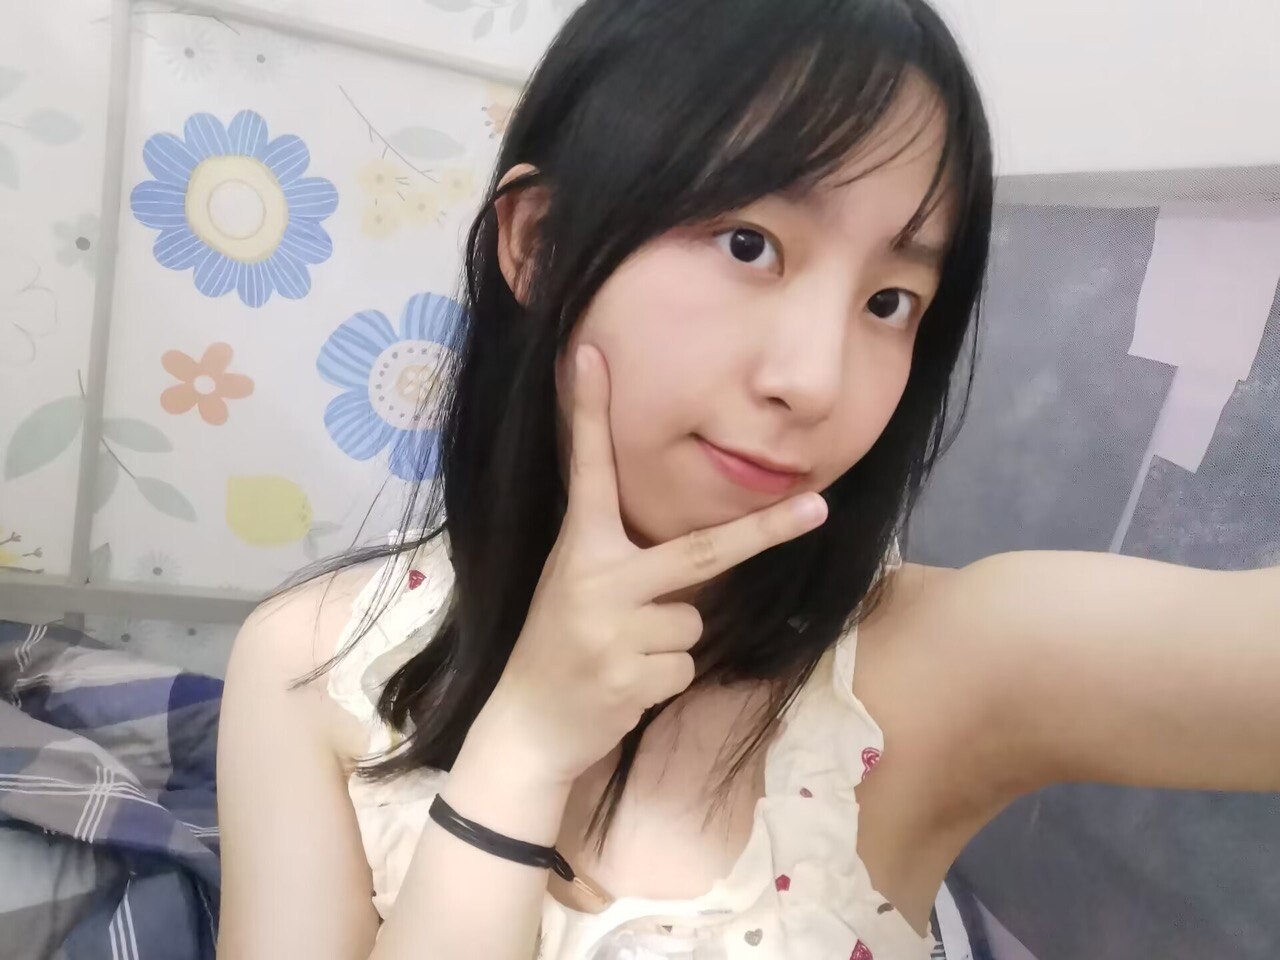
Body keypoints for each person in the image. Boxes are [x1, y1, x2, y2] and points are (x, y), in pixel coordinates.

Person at [214, 1, 1280, 958]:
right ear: (537, 241)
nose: (815, 381)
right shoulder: (310, 664)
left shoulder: (930, 669)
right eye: (748, 243)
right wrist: (520, 751)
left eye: (889, 303)